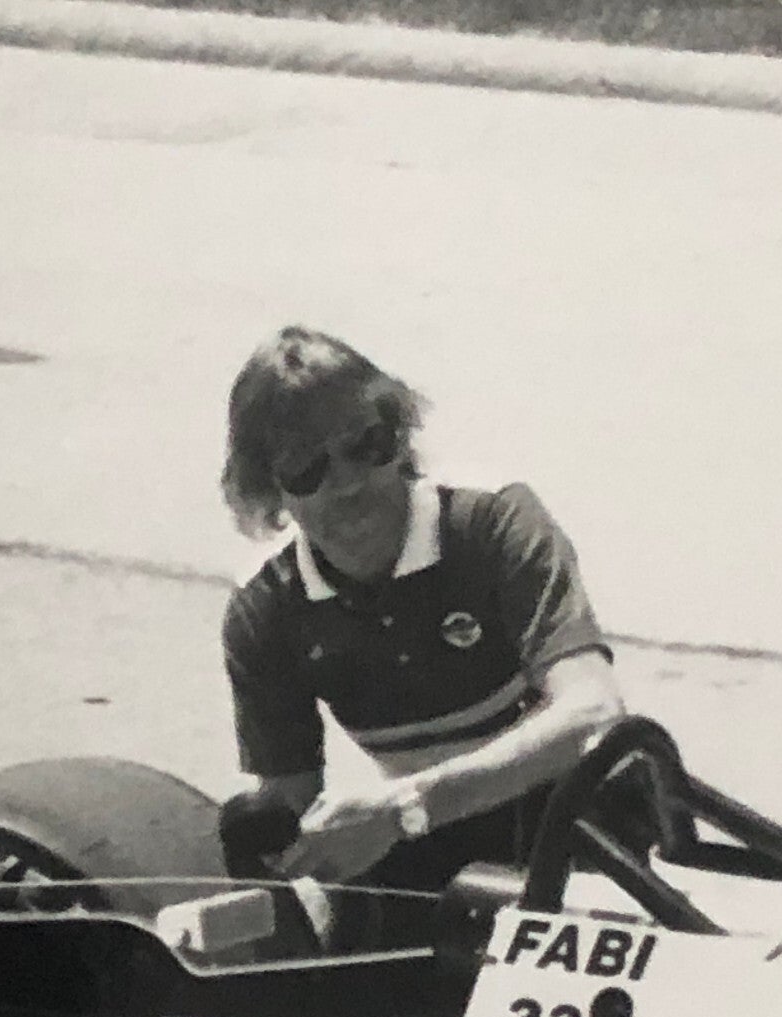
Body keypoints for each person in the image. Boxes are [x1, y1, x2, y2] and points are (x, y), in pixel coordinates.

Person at [218, 325, 625, 893]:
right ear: (268, 488)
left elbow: (594, 711)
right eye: (307, 468)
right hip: (430, 838)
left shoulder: (491, 522)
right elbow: (291, 807)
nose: (348, 484)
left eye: (367, 446)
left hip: (586, 819)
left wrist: (405, 808)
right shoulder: (265, 608)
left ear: (400, 436)